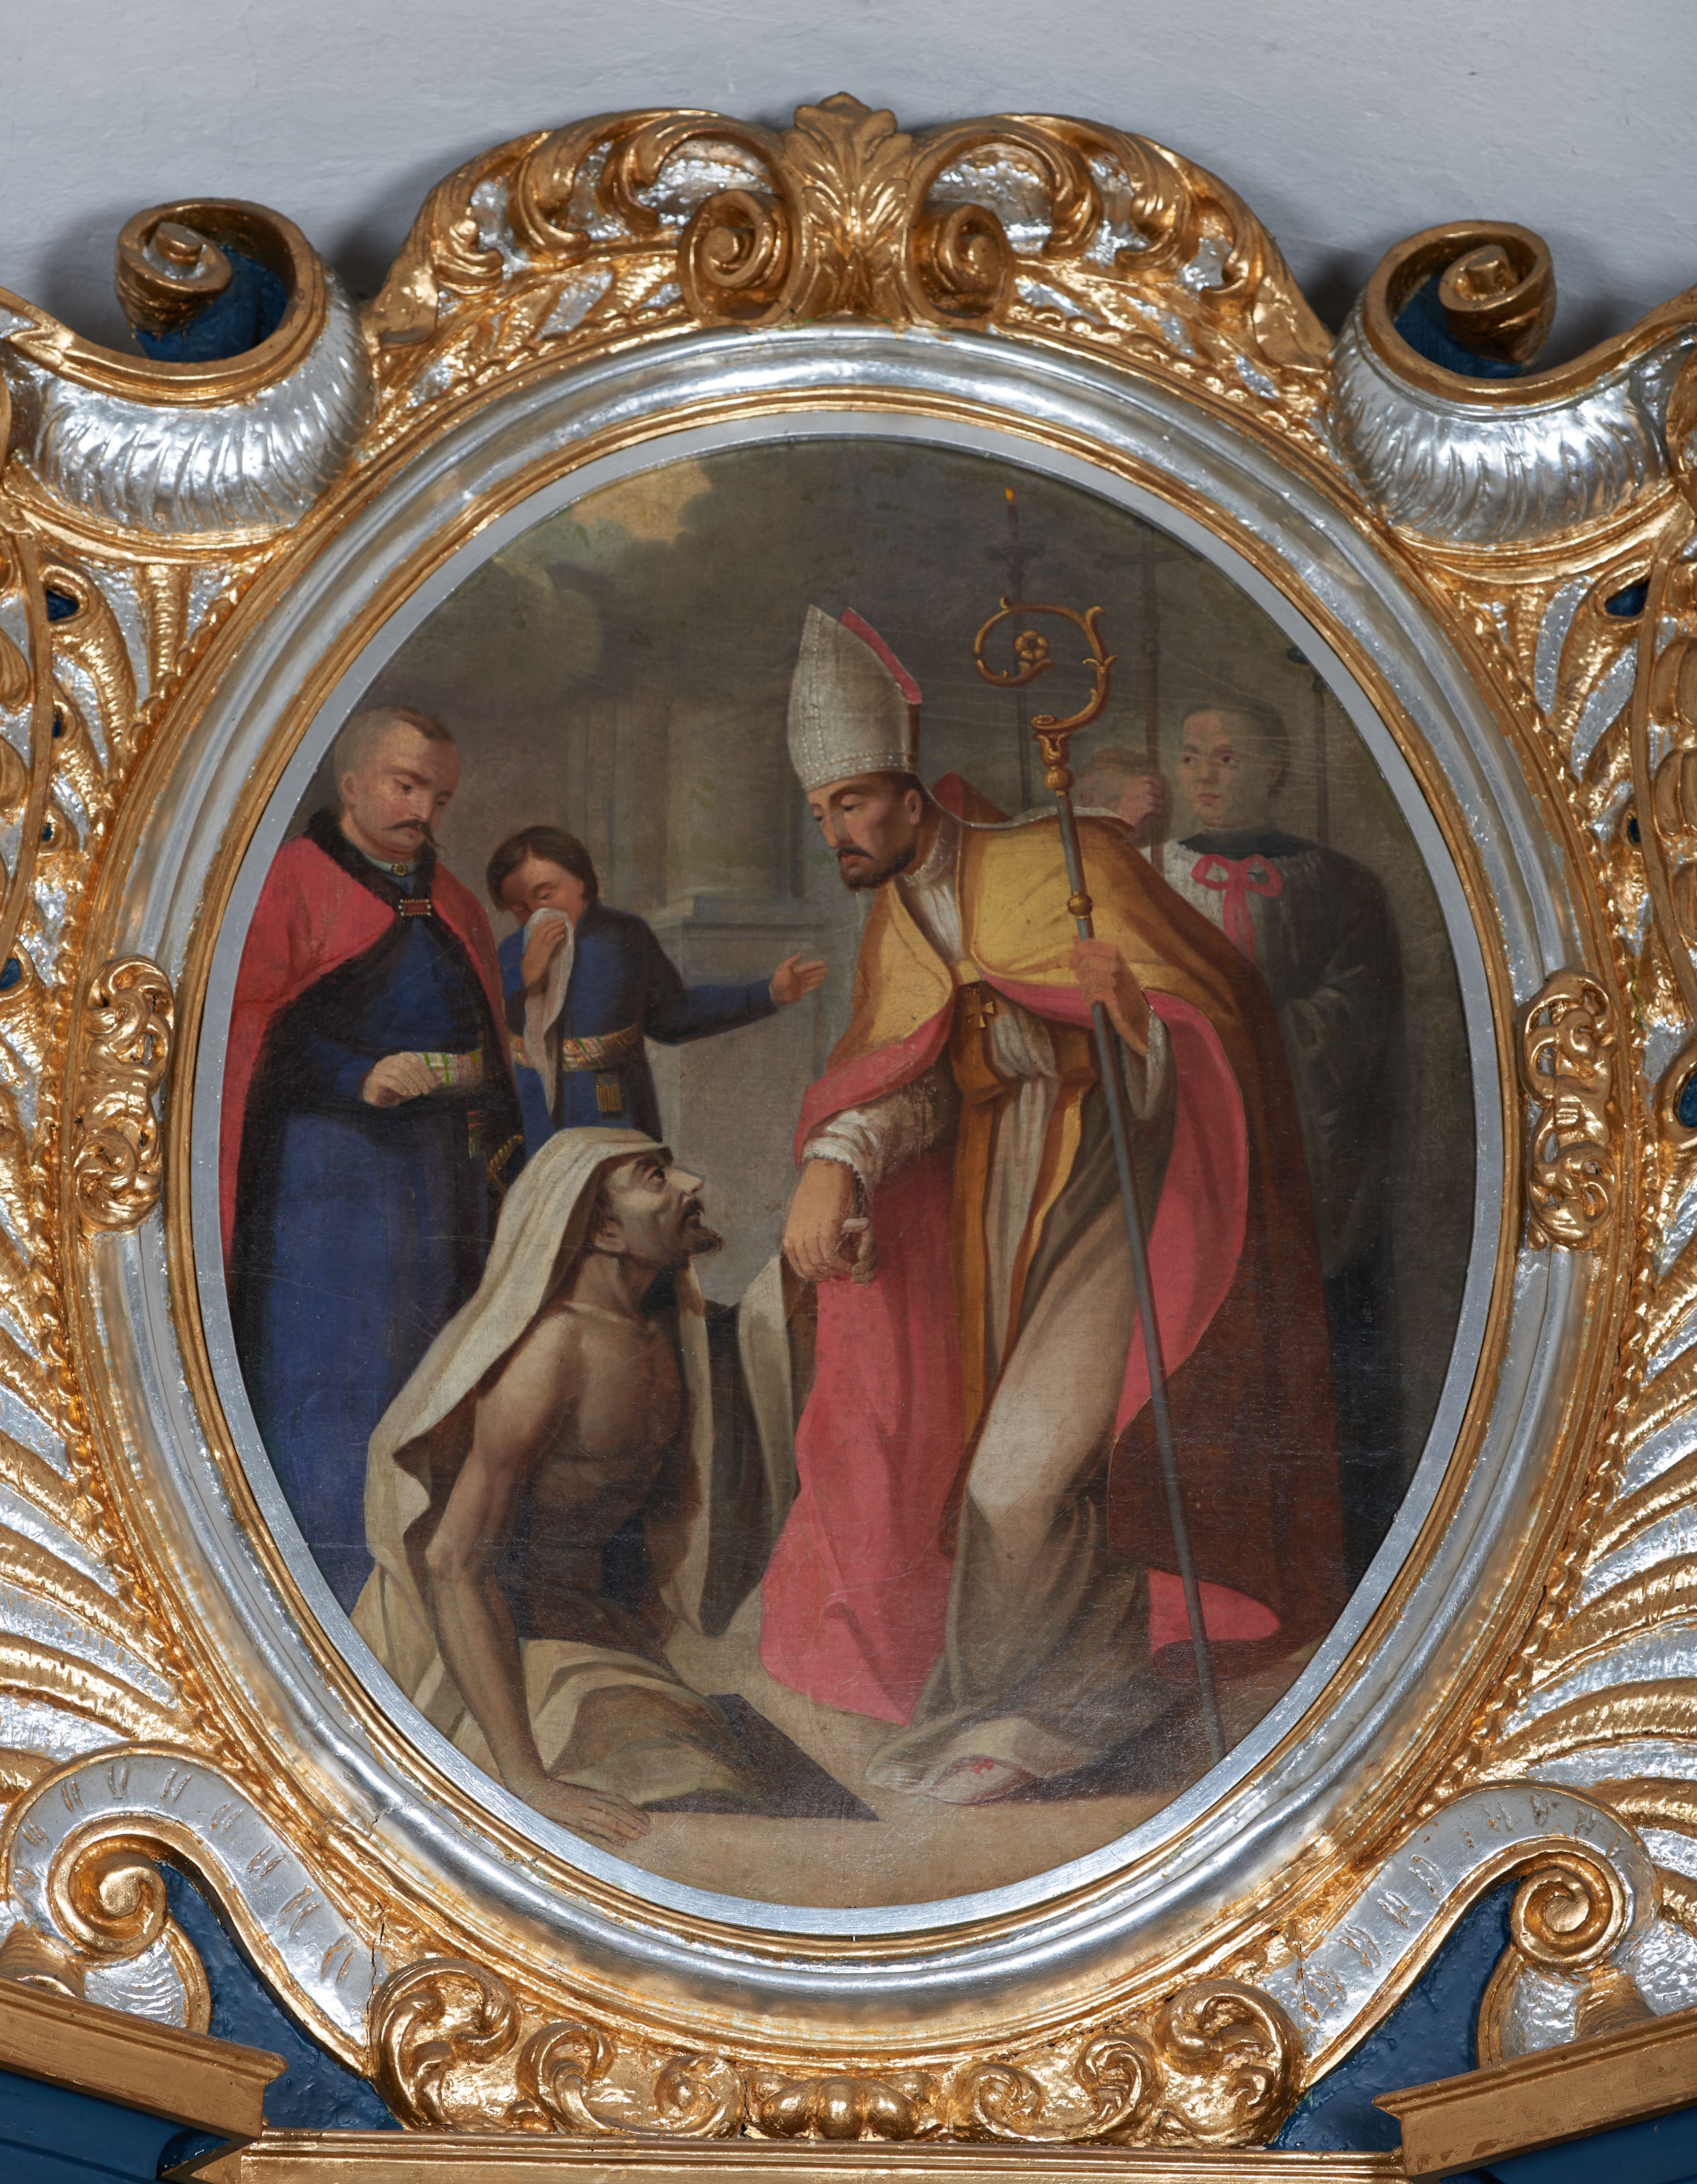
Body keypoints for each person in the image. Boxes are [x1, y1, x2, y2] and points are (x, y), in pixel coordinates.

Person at [759, 606, 1343, 1805]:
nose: (838, 832)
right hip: (993, 1225)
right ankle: (1045, 1697)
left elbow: (1221, 1024)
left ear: (911, 793)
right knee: (987, 1474)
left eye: (853, 803)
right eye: (822, 813)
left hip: (1125, 1197)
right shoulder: (900, 920)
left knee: (1016, 1480)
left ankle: (1040, 1716)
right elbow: (913, 1079)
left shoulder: (1064, 866)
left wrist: (1131, 1013)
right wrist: (841, 1159)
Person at [354, 1128, 804, 1846]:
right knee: (681, 1769)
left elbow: (745, 1382)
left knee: (713, 1762)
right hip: (471, 1646)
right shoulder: (552, 1351)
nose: (691, 1183)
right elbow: (454, 1564)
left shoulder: (663, 1329)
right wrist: (527, 1780)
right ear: (602, 1231)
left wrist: (806, 1280)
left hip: (583, 1623)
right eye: (655, 1177)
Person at [223, 705, 522, 1612]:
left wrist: (477, 1074)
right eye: (406, 785)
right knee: (331, 1392)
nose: (424, 809)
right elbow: (242, 1032)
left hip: (436, 1194)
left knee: (425, 1386)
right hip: (325, 1196)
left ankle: (414, 1612)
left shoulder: (453, 902)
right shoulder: (290, 881)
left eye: (440, 795)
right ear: (351, 786)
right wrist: (358, 1074)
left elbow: (491, 1043)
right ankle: (329, 1602)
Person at [1110, 704, 1404, 1584]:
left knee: (1311, 1371)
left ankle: (1327, 1578)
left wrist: (1233, 1037)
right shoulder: (1144, 877)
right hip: (1183, 1167)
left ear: (1276, 770)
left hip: (1303, 1170)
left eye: (1228, 758)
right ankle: (1196, 1574)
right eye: (1191, 755)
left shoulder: (1342, 886)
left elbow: (1355, 1019)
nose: (1204, 774)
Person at [486, 825, 827, 1157]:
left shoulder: (624, 936)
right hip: (540, 1122)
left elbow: (674, 1017)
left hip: (614, 1111)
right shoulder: (512, 951)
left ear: (581, 882)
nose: (538, 913)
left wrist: (768, 993)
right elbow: (494, 1026)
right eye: (520, 908)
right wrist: (527, 974)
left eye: (546, 895)